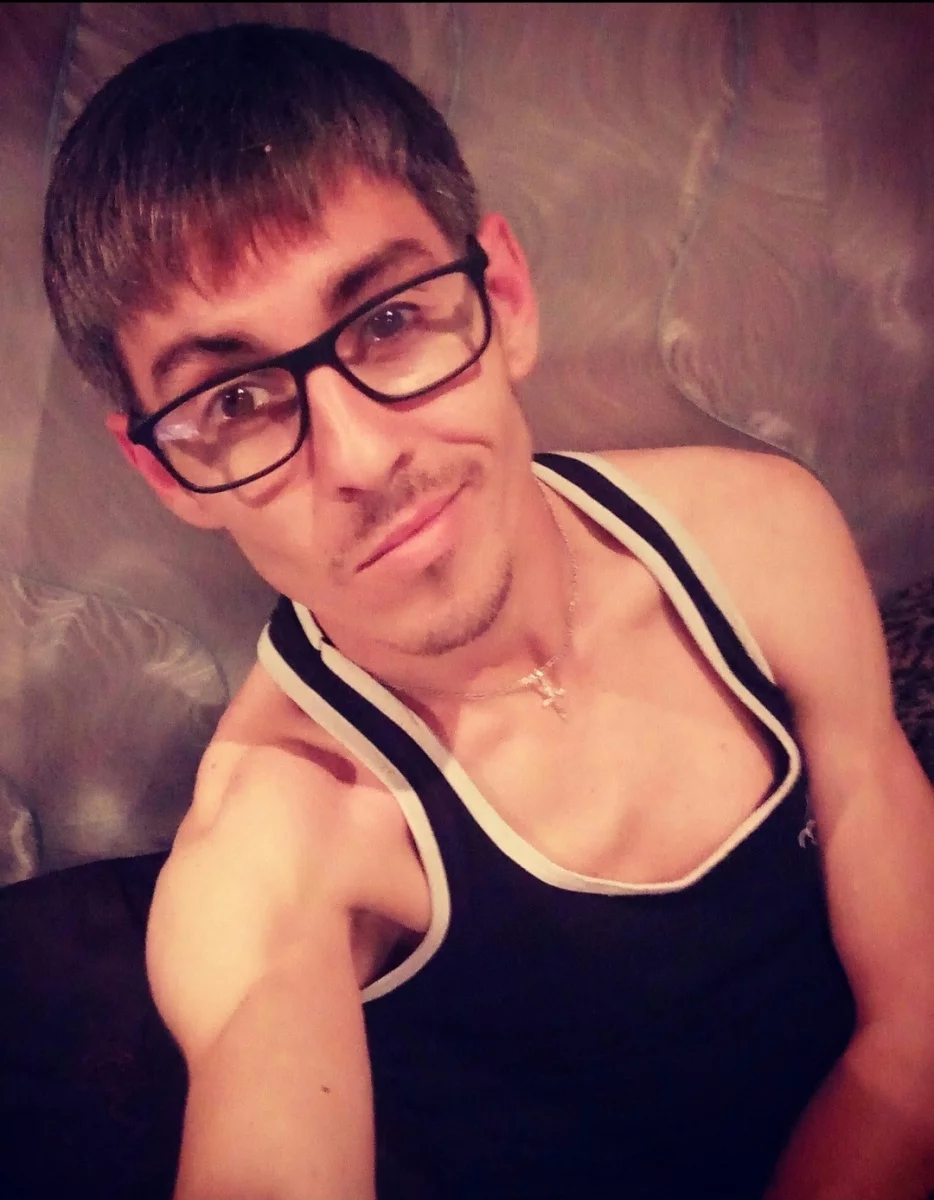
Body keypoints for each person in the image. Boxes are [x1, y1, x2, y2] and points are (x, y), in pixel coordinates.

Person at [42, 22, 934, 1200]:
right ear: (165, 471)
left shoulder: (759, 537)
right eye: (237, 399)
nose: (360, 458)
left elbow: (917, 1023)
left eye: (388, 319)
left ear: (502, 297)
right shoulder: (280, 842)